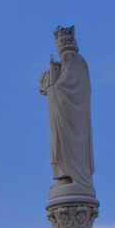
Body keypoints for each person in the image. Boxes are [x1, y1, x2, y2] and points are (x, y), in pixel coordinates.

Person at [39, 26, 94, 193]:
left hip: (71, 116)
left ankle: (74, 176)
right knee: (63, 142)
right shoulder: (80, 62)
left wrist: (51, 85)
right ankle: (65, 176)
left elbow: (65, 86)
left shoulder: (70, 58)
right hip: (74, 115)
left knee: (65, 143)